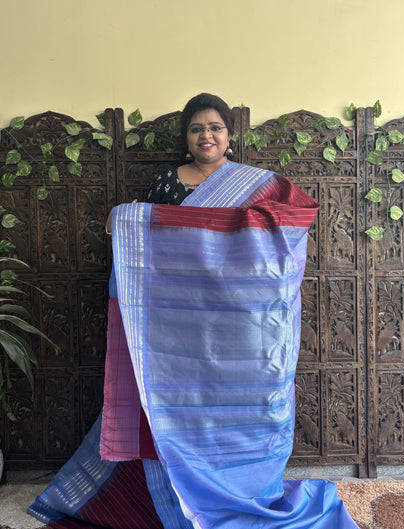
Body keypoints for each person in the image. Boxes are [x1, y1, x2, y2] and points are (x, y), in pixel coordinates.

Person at [29, 94, 359, 529]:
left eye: (215, 127)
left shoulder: (257, 186)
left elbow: (283, 233)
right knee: (178, 405)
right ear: (187, 138)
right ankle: (172, 497)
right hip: (177, 324)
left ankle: (239, 491)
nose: (207, 135)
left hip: (237, 323)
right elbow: (147, 254)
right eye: (197, 128)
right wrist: (123, 219)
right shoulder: (168, 183)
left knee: (237, 410)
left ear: (229, 136)